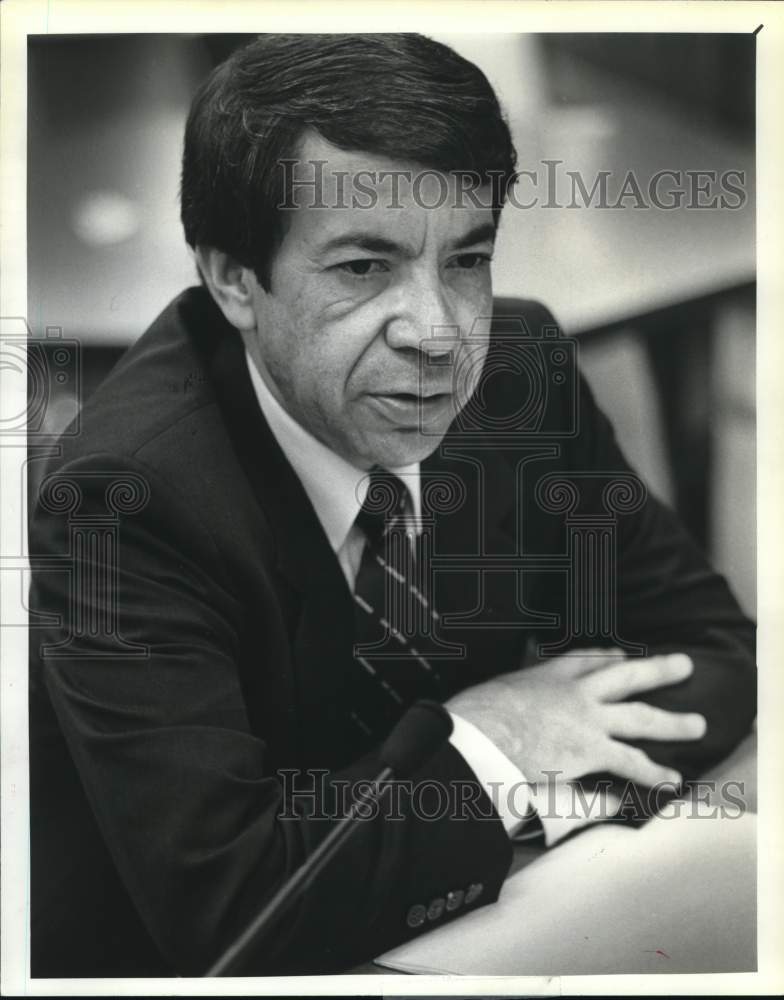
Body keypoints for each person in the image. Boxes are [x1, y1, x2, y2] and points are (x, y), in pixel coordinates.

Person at [28, 33, 756, 978]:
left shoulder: (517, 372)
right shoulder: (122, 499)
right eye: (363, 268)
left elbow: (713, 651)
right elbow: (238, 907)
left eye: (466, 260)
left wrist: (521, 794)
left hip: (470, 930)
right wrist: (494, 744)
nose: (439, 334)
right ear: (233, 279)